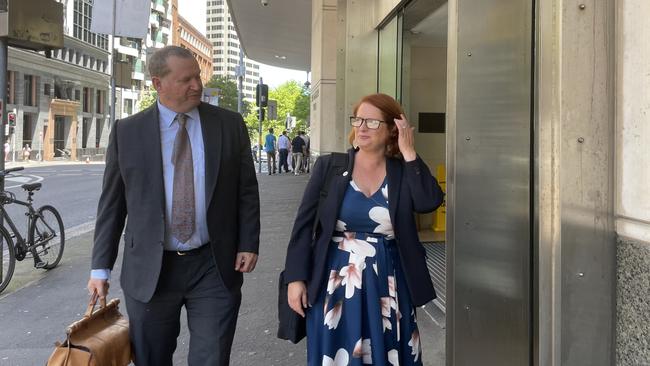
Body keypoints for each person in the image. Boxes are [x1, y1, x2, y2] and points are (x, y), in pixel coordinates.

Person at [87, 46, 260, 366]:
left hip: (213, 265)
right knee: (151, 358)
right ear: (157, 83)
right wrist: (101, 267)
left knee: (212, 357)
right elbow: (112, 204)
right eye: (186, 80)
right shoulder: (127, 132)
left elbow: (246, 189)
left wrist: (249, 242)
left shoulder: (229, 125)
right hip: (151, 270)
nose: (197, 85)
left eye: (198, 77)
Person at [283, 93, 443, 365]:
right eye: (358, 119)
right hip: (336, 282)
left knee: (390, 353)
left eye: (372, 121)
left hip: (391, 282)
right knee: (339, 355)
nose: (362, 127)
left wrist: (409, 153)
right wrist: (295, 278)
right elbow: (304, 226)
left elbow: (429, 202)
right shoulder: (330, 167)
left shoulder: (403, 171)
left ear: (394, 128)